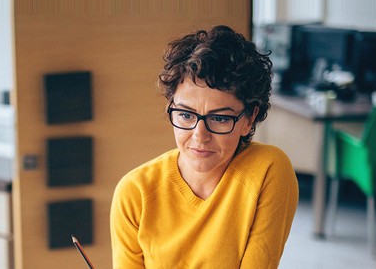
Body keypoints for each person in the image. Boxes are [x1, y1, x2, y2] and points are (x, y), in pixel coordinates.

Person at [110, 25, 299, 268]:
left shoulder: (267, 170)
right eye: (186, 115)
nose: (200, 136)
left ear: (249, 119)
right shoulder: (134, 192)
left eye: (219, 119)